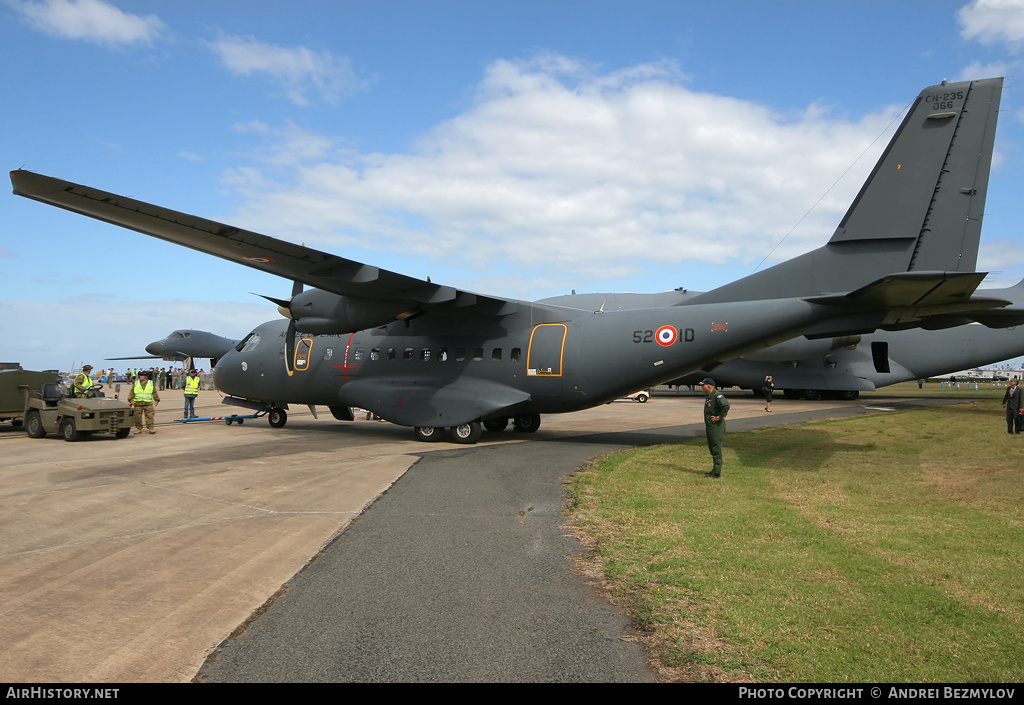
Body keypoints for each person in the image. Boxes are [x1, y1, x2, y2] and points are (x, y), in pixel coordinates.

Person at [702, 377, 730, 477]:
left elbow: (726, 405)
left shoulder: (717, 396)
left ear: (709, 386)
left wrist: (719, 416)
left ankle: (717, 472)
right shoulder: (710, 396)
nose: (702, 387)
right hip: (710, 426)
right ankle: (714, 469)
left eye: (703, 385)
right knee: (712, 447)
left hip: (716, 427)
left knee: (716, 447)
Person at [128, 369, 160, 434]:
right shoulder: (136, 383)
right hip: (138, 403)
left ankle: (151, 428)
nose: (140, 376)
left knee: (149, 416)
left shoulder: (150, 383)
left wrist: (156, 400)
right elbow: (131, 393)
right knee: (137, 417)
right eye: (140, 375)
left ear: (146, 376)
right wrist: (131, 400)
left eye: (142, 375)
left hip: (148, 403)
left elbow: (154, 392)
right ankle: (138, 428)